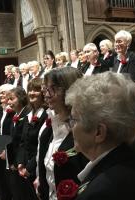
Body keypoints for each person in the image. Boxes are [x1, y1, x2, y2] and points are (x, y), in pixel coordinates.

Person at [65, 72, 135, 200]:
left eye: (74, 120)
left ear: (98, 132)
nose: (71, 129)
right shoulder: (129, 160)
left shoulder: (100, 192)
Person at [37, 67, 88, 200]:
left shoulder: (85, 129)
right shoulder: (50, 126)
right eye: (45, 89)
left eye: (52, 89)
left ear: (69, 89)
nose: (46, 95)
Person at [17, 78, 48, 200]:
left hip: (38, 167)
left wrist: (29, 168)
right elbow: (23, 142)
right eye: (29, 90)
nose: (31, 93)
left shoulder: (46, 114)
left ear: (43, 93)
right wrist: (20, 163)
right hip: (25, 166)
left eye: (36, 90)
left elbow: (42, 146)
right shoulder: (29, 114)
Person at [6, 87, 31, 200]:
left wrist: (17, 163)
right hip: (15, 161)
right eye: (8, 99)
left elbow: (23, 142)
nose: (9, 102)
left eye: (11, 99)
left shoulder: (27, 114)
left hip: (23, 162)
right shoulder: (16, 115)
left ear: (21, 98)